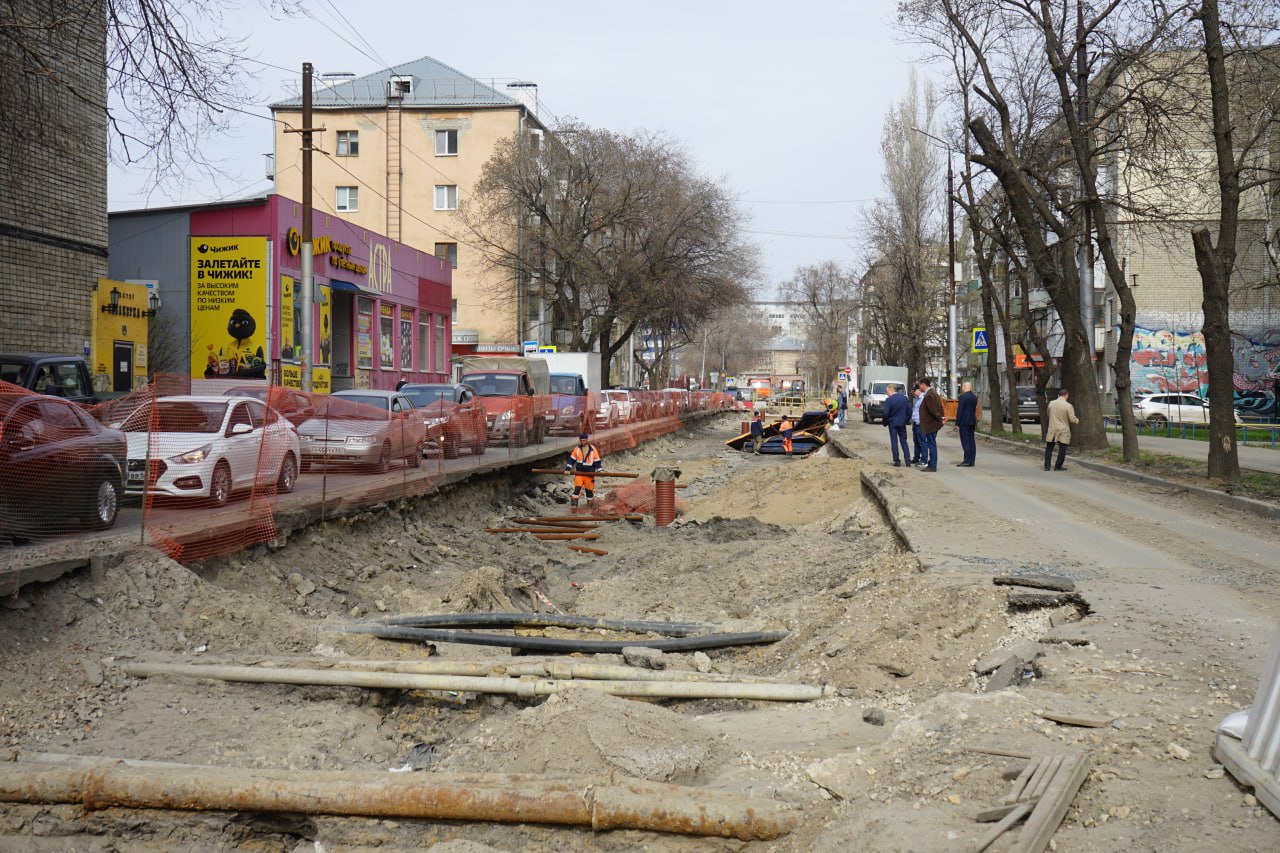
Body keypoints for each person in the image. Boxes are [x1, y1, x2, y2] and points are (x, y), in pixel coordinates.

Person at [1044, 389, 1079, 471]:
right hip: (1063, 429)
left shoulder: (1051, 404)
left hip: (1052, 428)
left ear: (1058, 395)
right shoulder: (1068, 406)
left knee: (1049, 447)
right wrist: (1077, 420)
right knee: (1062, 448)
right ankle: (1058, 466)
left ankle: (1047, 466)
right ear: (1066, 395)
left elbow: (1048, 414)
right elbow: (1072, 419)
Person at [565, 432, 603, 506]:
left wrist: (600, 470)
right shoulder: (577, 449)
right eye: (581, 440)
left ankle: (589, 507)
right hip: (579, 473)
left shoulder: (593, 449)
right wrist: (567, 468)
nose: (583, 442)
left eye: (584, 440)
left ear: (587, 440)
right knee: (577, 489)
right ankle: (574, 509)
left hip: (589, 474)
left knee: (589, 492)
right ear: (580, 440)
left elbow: (597, 461)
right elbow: (571, 460)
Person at [918, 378, 945, 472]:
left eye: (920, 385)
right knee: (931, 444)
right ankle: (931, 463)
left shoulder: (929, 395)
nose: (919, 387)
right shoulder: (934, 393)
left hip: (930, 424)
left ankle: (932, 465)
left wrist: (940, 418)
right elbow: (940, 407)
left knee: (931, 444)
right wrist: (941, 417)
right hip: (933, 423)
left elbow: (933, 410)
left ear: (924, 385)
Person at [882, 383, 911, 466]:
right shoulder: (904, 399)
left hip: (892, 423)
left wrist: (885, 422)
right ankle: (908, 461)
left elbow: (886, 413)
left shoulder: (889, 400)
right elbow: (909, 411)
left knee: (894, 442)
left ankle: (897, 461)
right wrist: (906, 420)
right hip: (902, 423)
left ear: (891, 390)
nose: (886, 393)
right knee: (904, 441)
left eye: (887, 391)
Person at [955, 381, 978, 467]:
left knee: (965, 441)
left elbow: (960, 410)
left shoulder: (963, 397)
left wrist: (957, 422)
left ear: (964, 387)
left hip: (964, 421)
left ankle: (967, 460)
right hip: (972, 421)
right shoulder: (974, 397)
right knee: (971, 441)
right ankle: (972, 460)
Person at [910, 384, 926, 464]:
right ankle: (916, 457)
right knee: (916, 441)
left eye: (914, 391)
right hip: (915, 423)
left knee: (922, 442)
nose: (913, 393)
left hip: (921, 424)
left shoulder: (923, 399)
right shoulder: (916, 399)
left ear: (918, 390)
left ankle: (924, 459)